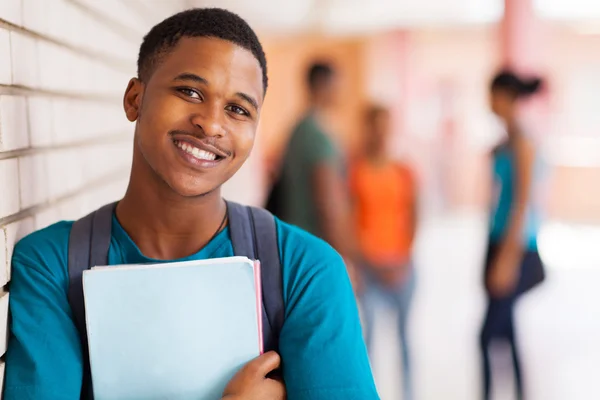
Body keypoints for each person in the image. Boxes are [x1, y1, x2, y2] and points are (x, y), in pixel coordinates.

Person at [3, 8, 379, 400]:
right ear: (135, 99)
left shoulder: (305, 272)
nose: (211, 123)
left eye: (238, 109)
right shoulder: (52, 265)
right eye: (190, 92)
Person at [480, 70, 546, 400]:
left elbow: (522, 204)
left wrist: (507, 260)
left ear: (505, 98)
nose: (488, 101)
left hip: (514, 248)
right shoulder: (507, 141)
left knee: (486, 336)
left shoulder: (522, 143)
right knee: (507, 331)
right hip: (497, 242)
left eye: (492, 95)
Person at [349, 105, 418, 400]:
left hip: (402, 266)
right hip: (370, 268)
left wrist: (403, 259)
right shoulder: (355, 171)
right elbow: (349, 221)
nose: (380, 132)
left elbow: (415, 216)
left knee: (405, 339)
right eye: (374, 125)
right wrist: (365, 264)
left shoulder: (404, 170)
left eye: (385, 125)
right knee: (370, 339)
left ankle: (408, 394)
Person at [272, 62, 357, 264]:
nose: (341, 91)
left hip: (297, 243)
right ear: (322, 84)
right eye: (338, 85)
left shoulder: (297, 129)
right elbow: (328, 205)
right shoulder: (317, 136)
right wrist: (345, 257)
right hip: (318, 248)